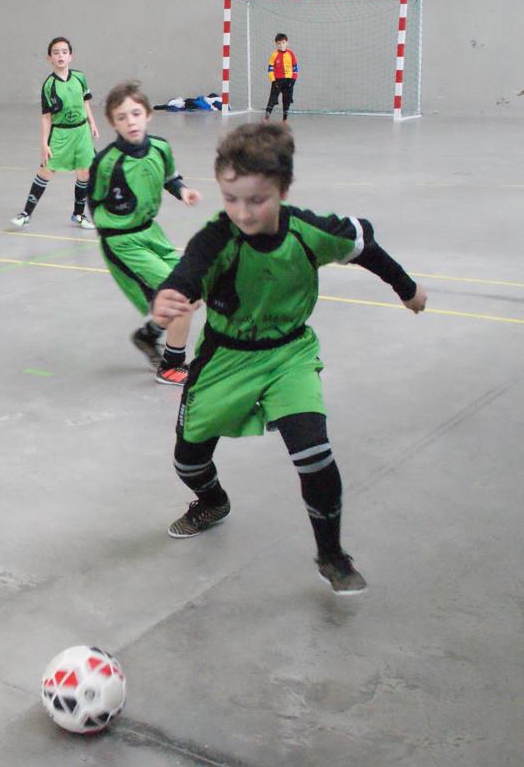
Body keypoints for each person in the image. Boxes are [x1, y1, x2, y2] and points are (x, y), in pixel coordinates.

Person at [151, 122, 427, 593]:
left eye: (256, 199)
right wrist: (169, 297)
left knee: (314, 454)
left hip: (289, 355)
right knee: (187, 461)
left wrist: (408, 289)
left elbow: (366, 248)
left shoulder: (310, 231)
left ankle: (332, 555)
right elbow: (188, 271)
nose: (242, 211)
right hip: (226, 361)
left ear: (283, 189)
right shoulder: (218, 239)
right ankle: (212, 501)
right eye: (230, 198)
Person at [88, 81, 201, 385]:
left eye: (136, 113)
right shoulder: (107, 162)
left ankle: (147, 335)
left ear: (149, 115)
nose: (130, 121)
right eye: (122, 117)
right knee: (180, 299)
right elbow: (94, 199)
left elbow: (170, 176)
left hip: (153, 233)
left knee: (194, 290)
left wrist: (183, 191)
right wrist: (113, 232)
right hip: (123, 242)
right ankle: (171, 366)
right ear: (113, 123)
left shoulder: (161, 147)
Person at [11, 37, 99, 230]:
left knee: (84, 172)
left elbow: (86, 102)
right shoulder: (49, 85)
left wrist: (92, 123)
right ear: (49, 58)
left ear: (71, 56)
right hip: (61, 134)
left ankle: (78, 214)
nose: (60, 56)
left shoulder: (80, 77)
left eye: (64, 52)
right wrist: (44, 143)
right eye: (56, 52)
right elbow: (46, 117)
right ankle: (26, 213)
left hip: (82, 132)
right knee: (46, 170)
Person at [264, 33, 298, 122]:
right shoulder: (274, 55)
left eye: (283, 43)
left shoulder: (291, 54)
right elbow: (270, 69)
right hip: (278, 80)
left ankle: (285, 119)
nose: (281, 45)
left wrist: (293, 79)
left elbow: (295, 68)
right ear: (276, 44)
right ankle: (267, 116)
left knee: (286, 99)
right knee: (273, 97)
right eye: (279, 43)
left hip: (289, 80)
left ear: (287, 43)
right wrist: (273, 80)